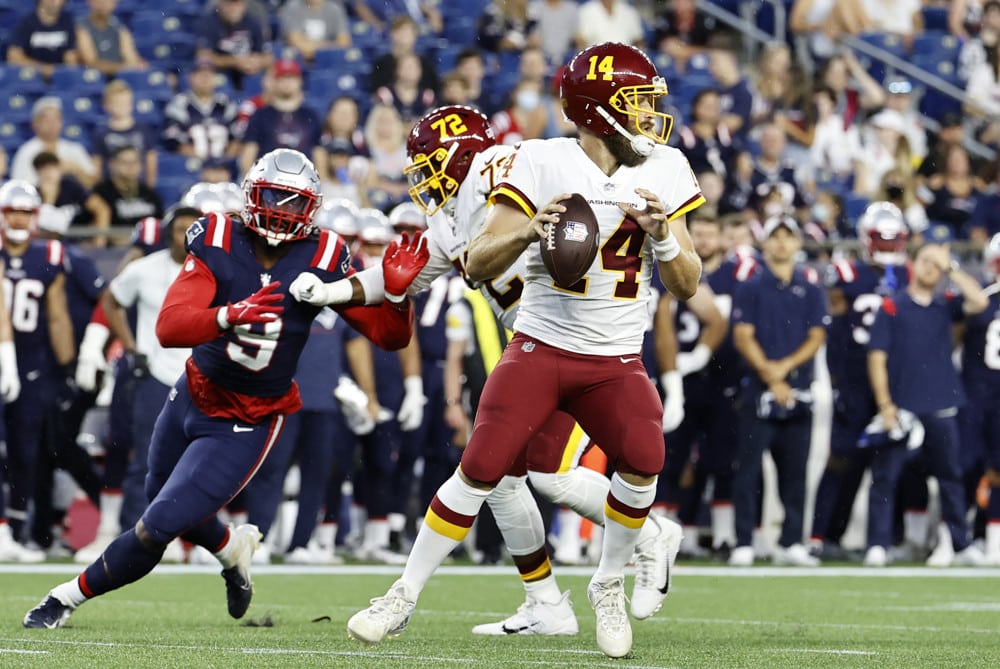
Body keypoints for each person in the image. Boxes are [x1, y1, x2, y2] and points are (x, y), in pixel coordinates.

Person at [340, 43, 702, 658]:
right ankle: (402, 595)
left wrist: (665, 236)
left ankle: (605, 583)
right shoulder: (539, 161)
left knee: (644, 455)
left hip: (615, 355)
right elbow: (477, 260)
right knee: (485, 465)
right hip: (539, 343)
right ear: (600, 107)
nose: (650, 115)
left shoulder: (665, 167)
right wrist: (526, 232)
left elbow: (688, 282)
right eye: (638, 102)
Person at [23, 147, 430, 628]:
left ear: (312, 208)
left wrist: (399, 296)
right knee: (163, 501)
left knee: (158, 525)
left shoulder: (324, 253)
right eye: (272, 196)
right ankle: (229, 546)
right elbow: (170, 328)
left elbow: (387, 335)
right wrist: (228, 314)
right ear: (251, 196)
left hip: (249, 415)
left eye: (292, 201)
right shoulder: (218, 235)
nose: (280, 210)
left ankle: (64, 598)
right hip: (193, 390)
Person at [864, 242, 989, 568]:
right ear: (912, 263)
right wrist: (885, 403)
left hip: (942, 406)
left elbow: (979, 300)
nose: (930, 267)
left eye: (936, 263)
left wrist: (950, 267)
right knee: (886, 478)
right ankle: (877, 544)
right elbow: (877, 357)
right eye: (925, 260)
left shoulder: (944, 304)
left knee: (950, 478)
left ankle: (960, 545)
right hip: (902, 408)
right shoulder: (892, 307)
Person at [728, 215, 828, 567]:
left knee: (796, 472)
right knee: (749, 471)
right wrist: (772, 378)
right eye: (776, 237)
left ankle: (791, 542)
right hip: (759, 391)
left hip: (796, 390)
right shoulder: (751, 287)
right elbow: (742, 335)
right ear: (765, 243)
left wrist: (781, 371)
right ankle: (743, 541)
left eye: (789, 236)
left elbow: (817, 335)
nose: (782, 243)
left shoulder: (811, 288)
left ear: (798, 243)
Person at [0, 180, 75, 561]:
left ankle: (15, 530)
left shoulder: (50, 254)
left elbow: (58, 315)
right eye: (11, 210)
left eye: (25, 212)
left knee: (25, 451)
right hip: (5, 357)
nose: (17, 218)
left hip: (33, 362)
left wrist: (67, 367)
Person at [963, 233, 1000, 565]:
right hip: (976, 394)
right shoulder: (982, 300)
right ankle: (956, 539)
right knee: (967, 466)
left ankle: (994, 541)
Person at [239, 60, 322, 178]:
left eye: (291, 77)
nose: (287, 82)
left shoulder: (310, 116)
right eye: (282, 77)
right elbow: (248, 154)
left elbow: (319, 155)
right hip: (268, 182)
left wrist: (320, 182)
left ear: (300, 81)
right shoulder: (260, 115)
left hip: (303, 182)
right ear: (274, 82)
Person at [162, 58, 240, 161]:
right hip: (191, 169)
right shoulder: (178, 105)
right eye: (200, 73)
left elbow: (238, 139)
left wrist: (223, 163)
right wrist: (203, 164)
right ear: (191, 77)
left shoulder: (227, 105)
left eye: (209, 74)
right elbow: (174, 141)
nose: (205, 78)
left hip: (223, 169)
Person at [10, 97, 96, 189]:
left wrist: (76, 170)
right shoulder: (26, 152)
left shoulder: (74, 149)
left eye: (56, 119)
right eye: (47, 120)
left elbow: (92, 183)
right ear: (35, 124)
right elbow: (20, 188)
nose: (52, 124)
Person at [5, 0, 78, 80]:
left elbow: (71, 56)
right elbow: (14, 56)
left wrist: (66, 73)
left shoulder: (67, 21)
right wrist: (43, 69)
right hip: (31, 78)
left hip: (60, 81)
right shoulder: (26, 22)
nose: (53, 1)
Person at [75, 0, 148, 76]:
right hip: (96, 79)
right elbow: (92, 63)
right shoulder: (82, 27)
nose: (103, 4)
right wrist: (124, 67)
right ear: (90, 1)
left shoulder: (120, 28)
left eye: (109, 1)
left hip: (120, 78)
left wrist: (137, 65)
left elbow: (131, 58)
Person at [278, 0, 351, 63]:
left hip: (328, 61)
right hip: (297, 61)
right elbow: (295, 42)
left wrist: (311, 49)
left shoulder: (335, 9)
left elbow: (344, 43)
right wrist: (329, 47)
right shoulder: (292, 8)